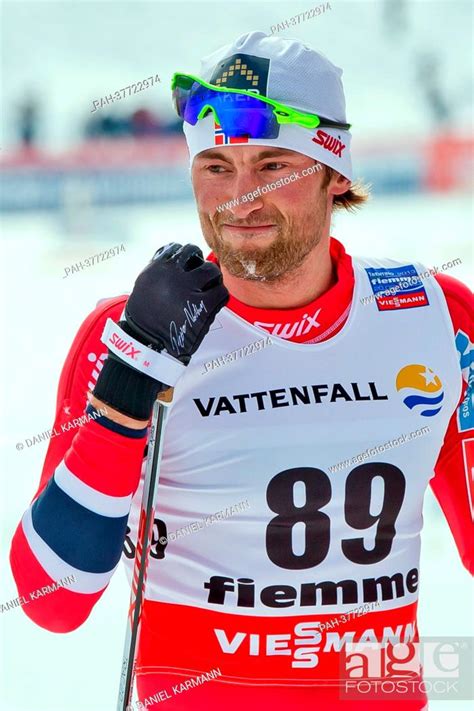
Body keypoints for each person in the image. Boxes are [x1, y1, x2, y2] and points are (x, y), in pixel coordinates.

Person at [10, 31, 473, 710]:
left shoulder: (435, 317)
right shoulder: (127, 333)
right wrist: (126, 389)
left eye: (273, 165)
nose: (239, 198)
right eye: (216, 166)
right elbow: (53, 600)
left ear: (335, 173)